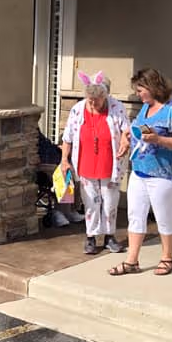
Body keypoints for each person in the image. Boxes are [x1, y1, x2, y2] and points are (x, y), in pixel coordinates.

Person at [109, 67, 172, 277]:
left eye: (140, 89)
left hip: (165, 174)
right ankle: (131, 261)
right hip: (140, 171)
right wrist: (127, 137)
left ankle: (167, 258)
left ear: (152, 86)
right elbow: (137, 129)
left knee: (163, 216)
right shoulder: (145, 109)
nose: (138, 94)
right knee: (135, 215)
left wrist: (159, 139)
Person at [60, 71, 131, 254]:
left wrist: (125, 139)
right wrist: (64, 160)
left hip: (110, 164)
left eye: (96, 100)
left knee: (110, 202)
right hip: (86, 163)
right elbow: (67, 137)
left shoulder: (116, 107)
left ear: (105, 96)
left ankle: (109, 236)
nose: (92, 103)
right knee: (90, 202)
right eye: (90, 99)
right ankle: (91, 237)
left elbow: (126, 129)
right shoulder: (78, 109)